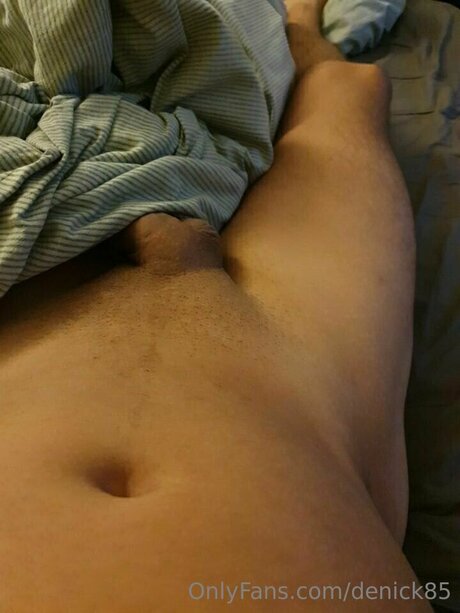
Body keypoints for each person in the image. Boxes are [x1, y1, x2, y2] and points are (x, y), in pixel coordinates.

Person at [0, 1, 430, 610]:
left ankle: (299, 18)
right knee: (351, 91)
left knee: (345, 91)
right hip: (306, 392)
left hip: (287, 377)